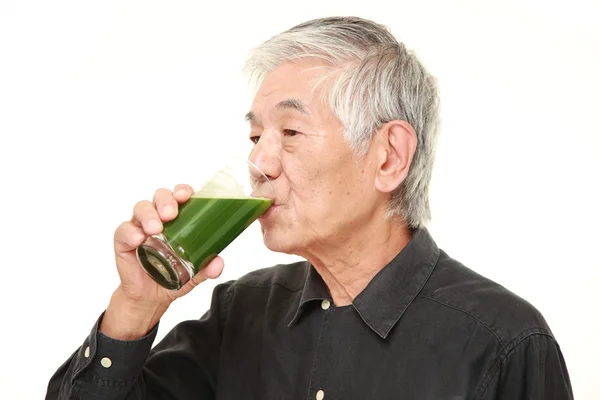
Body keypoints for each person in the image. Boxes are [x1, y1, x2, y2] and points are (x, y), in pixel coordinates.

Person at [46, 16, 573, 400]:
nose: (259, 161)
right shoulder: (240, 315)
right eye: (255, 135)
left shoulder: (503, 342)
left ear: (389, 157)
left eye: (290, 132)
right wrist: (136, 306)